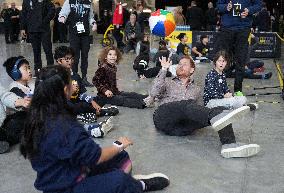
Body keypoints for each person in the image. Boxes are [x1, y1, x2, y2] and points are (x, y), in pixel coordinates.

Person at [20, 65, 170, 193]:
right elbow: (96, 157)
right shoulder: (64, 126)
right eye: (71, 82)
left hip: (69, 170)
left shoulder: (37, 114)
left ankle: (111, 181)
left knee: (121, 158)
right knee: (120, 179)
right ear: (65, 89)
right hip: (65, 187)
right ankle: (139, 186)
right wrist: (118, 145)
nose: (74, 85)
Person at [145, 56, 260, 158]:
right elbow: (153, 92)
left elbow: (199, 110)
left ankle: (229, 144)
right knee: (188, 104)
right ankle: (219, 116)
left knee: (217, 111)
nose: (180, 66)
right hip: (164, 117)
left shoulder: (196, 89)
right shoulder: (168, 82)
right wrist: (164, 69)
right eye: (179, 64)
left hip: (182, 127)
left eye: (184, 64)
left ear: (192, 70)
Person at [54, 46, 119, 138]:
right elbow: (55, 98)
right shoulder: (55, 76)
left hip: (76, 102)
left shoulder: (75, 76)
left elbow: (81, 94)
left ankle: (90, 113)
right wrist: (69, 91)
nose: (70, 61)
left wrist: (93, 102)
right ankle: (99, 113)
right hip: (65, 105)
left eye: (71, 58)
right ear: (59, 61)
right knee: (76, 106)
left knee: (97, 100)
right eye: (67, 59)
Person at [214, 0, 262, 92]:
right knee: (223, 58)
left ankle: (238, 90)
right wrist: (226, 7)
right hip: (227, 28)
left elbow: (258, 5)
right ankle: (221, 88)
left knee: (241, 60)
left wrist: (249, 10)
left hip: (243, 28)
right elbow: (219, 5)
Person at [59, 0, 97, 87]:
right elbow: (63, 13)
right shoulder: (69, 2)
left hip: (85, 34)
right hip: (74, 34)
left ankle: (84, 78)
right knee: (74, 56)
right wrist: (62, 17)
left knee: (85, 56)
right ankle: (74, 78)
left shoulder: (88, 3)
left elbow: (90, 17)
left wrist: (93, 23)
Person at [1, 56, 33, 150]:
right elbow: (24, 100)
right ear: (16, 73)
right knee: (18, 126)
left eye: (29, 67)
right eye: (25, 68)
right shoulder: (14, 88)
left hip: (28, 115)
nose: (29, 70)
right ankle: (5, 140)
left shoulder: (31, 84)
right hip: (15, 118)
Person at [20, 0, 55, 76]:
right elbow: (23, 14)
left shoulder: (46, 1)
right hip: (32, 29)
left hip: (44, 30)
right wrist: (22, 28)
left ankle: (51, 69)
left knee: (48, 50)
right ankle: (38, 70)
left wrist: (44, 21)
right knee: (36, 51)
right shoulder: (26, 1)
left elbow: (52, 11)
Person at [0, 84, 30, 154]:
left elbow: (4, 95)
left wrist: (20, 101)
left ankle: (5, 139)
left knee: (22, 116)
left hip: (3, 127)